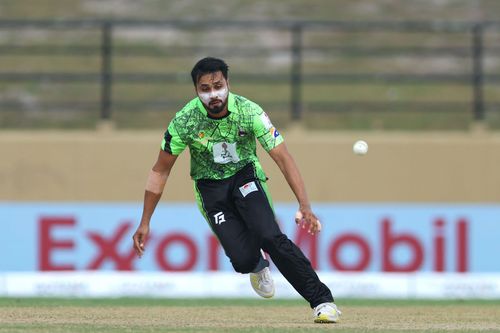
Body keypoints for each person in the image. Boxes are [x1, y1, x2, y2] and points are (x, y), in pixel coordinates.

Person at [132, 57, 341, 323]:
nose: (213, 94)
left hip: (245, 176)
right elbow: (160, 170)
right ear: (196, 91)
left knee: (270, 236)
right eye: (205, 89)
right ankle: (256, 266)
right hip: (209, 188)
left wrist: (305, 205)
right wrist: (145, 221)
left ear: (228, 83)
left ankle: (322, 301)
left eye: (218, 86)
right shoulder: (184, 121)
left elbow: (283, 158)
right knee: (242, 261)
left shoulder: (249, 112)